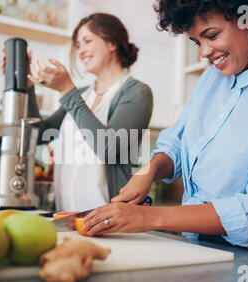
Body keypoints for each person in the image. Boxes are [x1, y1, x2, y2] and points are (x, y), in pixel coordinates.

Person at [83, 0, 248, 249]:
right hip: (195, 248)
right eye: (196, 42)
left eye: (212, 35)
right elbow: (176, 144)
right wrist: (149, 171)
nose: (203, 52)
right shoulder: (212, 78)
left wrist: (147, 217)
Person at [18, 13, 153, 211]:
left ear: (112, 43)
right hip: (66, 216)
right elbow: (38, 135)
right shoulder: (82, 95)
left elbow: (108, 149)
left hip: (110, 219)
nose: (81, 51)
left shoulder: (136, 92)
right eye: (78, 45)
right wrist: (28, 88)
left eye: (87, 41)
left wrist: (66, 90)